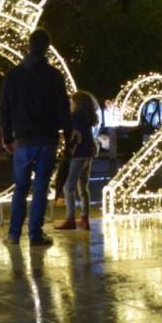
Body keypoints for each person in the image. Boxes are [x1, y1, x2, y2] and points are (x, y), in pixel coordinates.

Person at [0, 29, 71, 246]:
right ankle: (35, 234)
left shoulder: (14, 75)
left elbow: (5, 107)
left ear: (29, 46)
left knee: (20, 187)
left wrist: (8, 136)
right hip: (47, 138)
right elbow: (63, 108)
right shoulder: (54, 76)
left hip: (22, 139)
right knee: (41, 187)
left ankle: (13, 234)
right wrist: (67, 135)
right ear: (47, 47)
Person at [55, 91, 98, 231]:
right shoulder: (89, 117)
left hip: (78, 153)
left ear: (77, 103)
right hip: (89, 152)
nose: (70, 103)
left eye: (72, 101)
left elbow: (73, 133)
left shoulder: (75, 116)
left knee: (69, 186)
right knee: (83, 186)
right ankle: (85, 219)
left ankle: (70, 219)